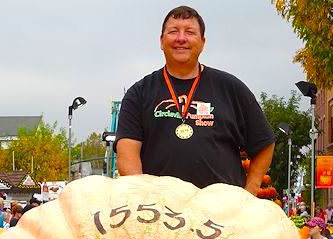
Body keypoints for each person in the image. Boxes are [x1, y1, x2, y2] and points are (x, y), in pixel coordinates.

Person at [115, 5, 275, 194]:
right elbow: (127, 156)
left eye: (190, 32)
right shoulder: (139, 93)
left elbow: (264, 142)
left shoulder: (231, 88)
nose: (181, 38)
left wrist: (250, 191)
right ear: (161, 40)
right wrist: (143, 199)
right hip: (162, 213)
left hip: (220, 214)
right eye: (173, 31)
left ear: (202, 42)